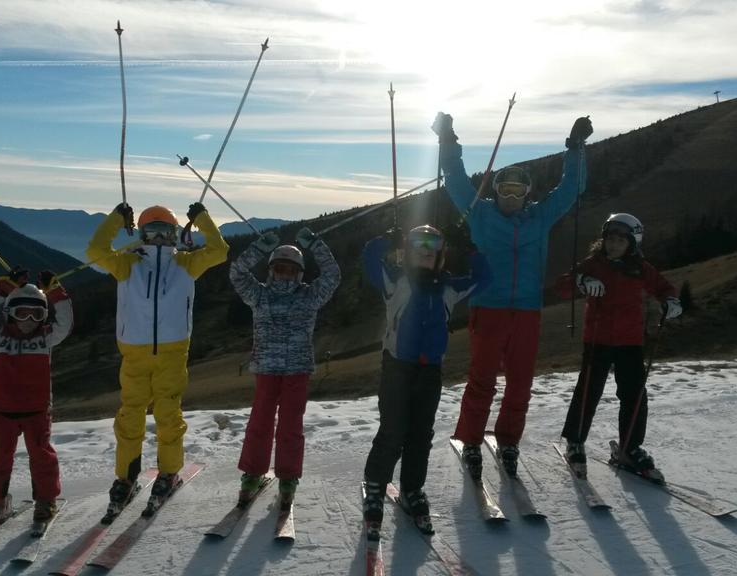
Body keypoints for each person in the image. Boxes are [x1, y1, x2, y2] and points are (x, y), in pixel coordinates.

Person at [431, 112, 592, 480]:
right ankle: (471, 441)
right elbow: (454, 180)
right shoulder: (480, 215)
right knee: (482, 379)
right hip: (488, 309)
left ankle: (508, 441)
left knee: (521, 382)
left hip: (526, 312)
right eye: (505, 189)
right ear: (496, 191)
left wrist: (576, 148)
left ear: (527, 194)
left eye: (518, 191)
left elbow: (571, 189)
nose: (511, 197)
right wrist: (448, 140)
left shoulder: (540, 217)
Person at [86, 202, 228, 518]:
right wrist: (115, 220)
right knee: (130, 415)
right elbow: (95, 250)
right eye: (153, 231)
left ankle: (169, 472)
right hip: (135, 351)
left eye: (167, 231)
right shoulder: (127, 264)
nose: (160, 238)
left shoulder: (187, 264)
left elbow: (219, 251)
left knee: (168, 414)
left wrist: (202, 220)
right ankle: (126, 476)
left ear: (176, 234)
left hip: (172, 351)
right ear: (143, 234)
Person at [361, 225, 491, 533]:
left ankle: (412, 489)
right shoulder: (395, 280)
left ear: (440, 258)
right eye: (417, 249)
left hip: (430, 371)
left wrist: (471, 251)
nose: (425, 254)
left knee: (421, 434)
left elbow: (484, 279)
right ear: (406, 253)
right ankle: (376, 485)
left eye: (431, 251)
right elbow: (369, 258)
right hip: (397, 367)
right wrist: (387, 239)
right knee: (392, 430)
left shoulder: (448, 288)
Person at [556, 213, 681, 480]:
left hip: (630, 341)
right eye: (609, 239)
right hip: (598, 338)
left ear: (632, 243)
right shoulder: (594, 264)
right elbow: (564, 286)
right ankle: (575, 442)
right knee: (588, 391)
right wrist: (583, 281)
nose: (613, 245)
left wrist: (671, 301)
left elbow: (663, 287)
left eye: (619, 241)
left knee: (634, 394)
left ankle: (630, 448)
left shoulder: (640, 268)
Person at [229, 227, 341, 508]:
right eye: (278, 268)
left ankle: (288, 478)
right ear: (270, 270)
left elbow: (332, 276)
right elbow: (237, 273)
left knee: (291, 426)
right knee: (260, 423)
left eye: (290, 270)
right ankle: (252, 474)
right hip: (266, 370)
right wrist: (257, 248)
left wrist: (315, 244)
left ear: (300, 273)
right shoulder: (259, 295)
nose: (284, 274)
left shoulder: (310, 296)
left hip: (297, 371)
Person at [0, 268, 73, 528]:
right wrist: (2, 290)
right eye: (21, 313)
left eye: (36, 313)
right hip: (2, 409)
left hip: (37, 409)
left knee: (42, 456)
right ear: (9, 313)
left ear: (44, 317)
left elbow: (65, 323)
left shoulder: (45, 338)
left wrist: (55, 293)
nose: (28, 320)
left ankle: (45, 499)